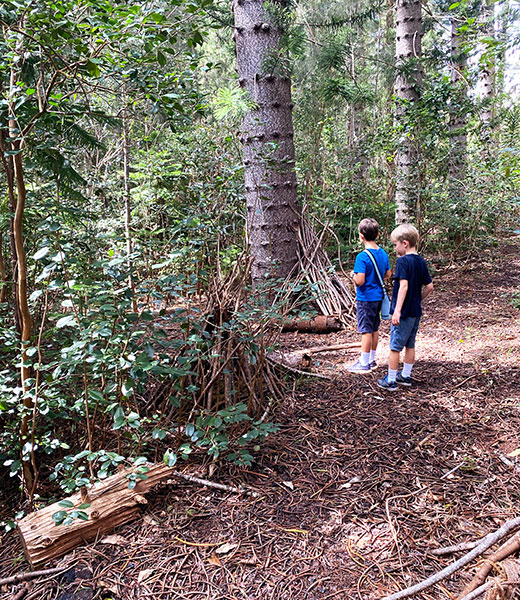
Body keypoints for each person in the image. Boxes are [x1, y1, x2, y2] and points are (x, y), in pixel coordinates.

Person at [377, 223, 434, 391]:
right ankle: (406, 376)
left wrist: (397, 311)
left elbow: (403, 286)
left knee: (395, 347)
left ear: (405, 243)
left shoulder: (403, 262)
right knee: (410, 344)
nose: (395, 248)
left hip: (403, 313)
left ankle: (392, 380)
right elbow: (430, 287)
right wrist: (418, 300)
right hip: (415, 311)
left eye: (395, 245)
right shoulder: (420, 261)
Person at [347, 218, 391, 374]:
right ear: (378, 234)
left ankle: (364, 363)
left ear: (361, 236)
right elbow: (388, 274)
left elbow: (360, 280)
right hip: (378, 296)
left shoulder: (362, 257)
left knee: (365, 330)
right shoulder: (383, 253)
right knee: (374, 328)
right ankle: (372, 359)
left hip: (366, 298)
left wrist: (352, 274)